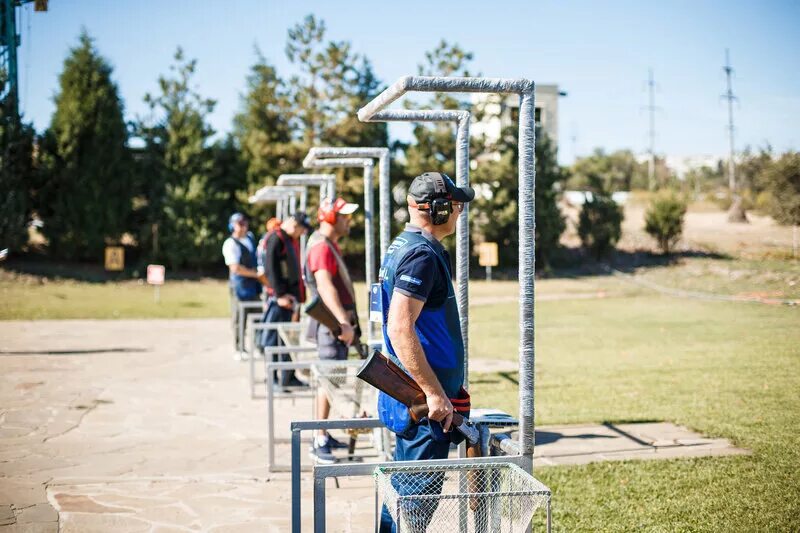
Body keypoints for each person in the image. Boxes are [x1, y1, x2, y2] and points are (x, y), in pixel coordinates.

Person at [376, 172, 475, 533]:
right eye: (455, 204)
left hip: (414, 397)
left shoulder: (407, 245)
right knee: (414, 506)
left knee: (401, 496)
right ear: (437, 209)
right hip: (423, 403)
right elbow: (400, 327)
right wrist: (434, 392)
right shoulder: (421, 255)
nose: (459, 210)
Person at [304, 197, 360, 464]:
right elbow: (325, 287)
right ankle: (318, 439)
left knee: (330, 381)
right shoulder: (321, 247)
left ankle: (322, 433)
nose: (348, 220)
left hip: (332, 325)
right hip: (331, 326)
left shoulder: (325, 244)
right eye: (344, 216)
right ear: (329, 218)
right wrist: (343, 323)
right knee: (328, 380)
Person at [257, 211, 311, 390]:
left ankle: (287, 377)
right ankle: (272, 378)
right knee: (273, 340)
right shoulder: (276, 238)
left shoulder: (287, 238)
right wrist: (279, 295)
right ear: (295, 224)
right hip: (280, 299)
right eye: (302, 229)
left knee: (288, 340)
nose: (303, 234)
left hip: (290, 298)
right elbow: (270, 268)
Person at [222, 212, 263, 355]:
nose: (244, 226)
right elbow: (235, 268)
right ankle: (239, 348)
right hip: (240, 286)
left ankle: (259, 346)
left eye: (245, 223)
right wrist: (256, 274)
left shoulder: (250, 238)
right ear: (232, 226)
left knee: (258, 317)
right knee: (240, 319)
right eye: (240, 224)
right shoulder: (230, 244)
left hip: (254, 285)